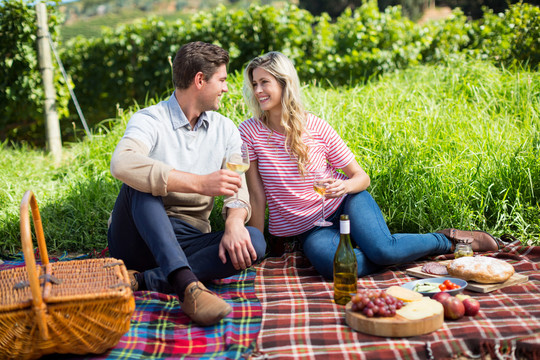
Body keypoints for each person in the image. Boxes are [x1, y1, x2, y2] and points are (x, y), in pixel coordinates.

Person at [238, 51, 499, 280]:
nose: (258, 90)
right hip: (310, 229)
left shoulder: (315, 126)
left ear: (285, 84)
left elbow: (361, 177)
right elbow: (256, 195)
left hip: (345, 203)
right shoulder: (249, 132)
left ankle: (446, 239)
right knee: (336, 268)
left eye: (264, 82)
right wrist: (259, 247)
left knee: (384, 249)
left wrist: (343, 186)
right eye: (254, 84)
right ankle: (393, 252)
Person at [107, 41, 266, 326]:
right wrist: (199, 183)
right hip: (138, 237)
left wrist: (233, 223)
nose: (226, 88)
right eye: (222, 80)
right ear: (200, 80)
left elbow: (237, 188)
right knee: (139, 184)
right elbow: (121, 163)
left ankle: (145, 279)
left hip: (189, 240)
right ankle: (186, 286)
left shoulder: (225, 129)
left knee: (253, 241)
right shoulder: (149, 120)